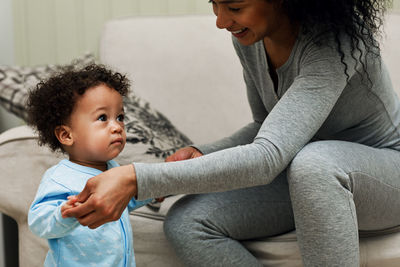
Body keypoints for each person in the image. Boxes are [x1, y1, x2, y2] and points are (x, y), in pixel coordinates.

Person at [62, 0, 400, 266]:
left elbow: (267, 158)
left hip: (383, 175)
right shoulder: (251, 39)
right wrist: (204, 151)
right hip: (307, 172)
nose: (221, 21)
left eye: (235, 7)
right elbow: (265, 127)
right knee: (189, 222)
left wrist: (136, 178)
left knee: (314, 163)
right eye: (215, 3)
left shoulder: (338, 43)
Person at [27, 64, 152, 267]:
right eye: (103, 118)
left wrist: (152, 190)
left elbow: (124, 200)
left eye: (120, 117)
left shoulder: (115, 169)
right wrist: (63, 213)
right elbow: (39, 222)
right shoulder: (60, 178)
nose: (117, 127)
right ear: (67, 135)